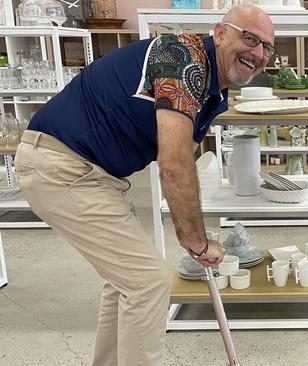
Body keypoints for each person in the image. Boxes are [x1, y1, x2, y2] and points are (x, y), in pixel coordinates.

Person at [13, 5, 275, 365]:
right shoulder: (182, 58)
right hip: (63, 166)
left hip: (92, 174)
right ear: (220, 32)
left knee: (126, 283)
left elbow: (183, 159)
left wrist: (194, 238)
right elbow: (174, 164)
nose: (258, 53)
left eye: (267, 47)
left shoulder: (213, 90)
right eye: (249, 38)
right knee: (148, 282)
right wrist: (197, 241)